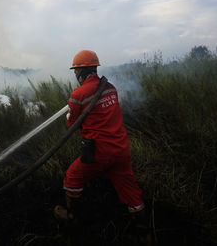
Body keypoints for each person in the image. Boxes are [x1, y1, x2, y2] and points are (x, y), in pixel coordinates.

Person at [53, 50, 150, 243]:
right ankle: (144, 234)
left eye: (75, 72)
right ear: (94, 68)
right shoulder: (111, 88)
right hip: (121, 149)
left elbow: (72, 124)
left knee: (72, 177)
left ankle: (73, 220)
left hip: (98, 152)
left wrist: (68, 116)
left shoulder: (78, 94)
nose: (76, 76)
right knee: (129, 190)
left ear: (81, 72)